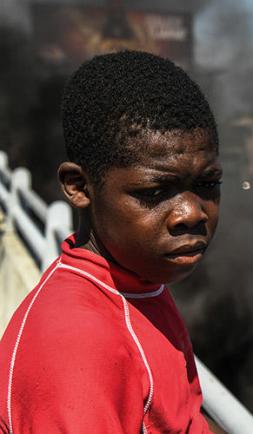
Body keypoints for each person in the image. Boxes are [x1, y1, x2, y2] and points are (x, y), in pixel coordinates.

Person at [0, 51, 224, 433]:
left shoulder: (138, 282)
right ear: (79, 187)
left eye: (207, 185)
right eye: (155, 191)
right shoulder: (76, 347)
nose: (192, 213)